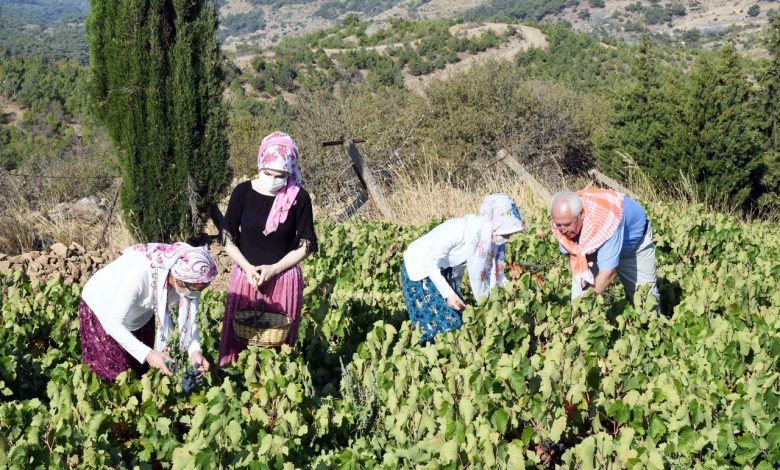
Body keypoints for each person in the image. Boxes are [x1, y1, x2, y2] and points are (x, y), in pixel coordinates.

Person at [218, 131, 317, 365]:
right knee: (239, 343)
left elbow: (306, 244)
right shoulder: (242, 192)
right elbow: (227, 237)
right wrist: (247, 268)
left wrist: (274, 269)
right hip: (245, 278)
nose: (273, 179)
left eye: (280, 175)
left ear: (290, 172)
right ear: (260, 165)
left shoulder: (298, 198)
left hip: (283, 278)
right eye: (267, 173)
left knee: (277, 344)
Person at [79, 243, 217, 381]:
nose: (196, 294)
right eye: (195, 289)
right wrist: (149, 354)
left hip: (140, 312)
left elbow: (190, 318)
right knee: (115, 375)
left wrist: (194, 351)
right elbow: (113, 323)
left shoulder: (192, 279)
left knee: (142, 371)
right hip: (103, 308)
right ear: (178, 280)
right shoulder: (139, 273)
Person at [402, 193, 524, 345]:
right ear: (494, 223)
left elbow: (460, 266)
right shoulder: (459, 230)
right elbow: (430, 262)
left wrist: (455, 289)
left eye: (509, 234)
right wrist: (448, 294)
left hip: (442, 269)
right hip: (421, 269)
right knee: (442, 324)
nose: (506, 239)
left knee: (457, 318)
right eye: (505, 233)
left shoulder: (483, 239)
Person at [549, 190, 660, 307]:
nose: (562, 230)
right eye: (558, 225)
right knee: (579, 299)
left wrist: (586, 303)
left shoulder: (607, 221)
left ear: (581, 214)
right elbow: (574, 259)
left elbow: (608, 273)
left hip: (634, 247)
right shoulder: (563, 221)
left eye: (566, 225)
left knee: (646, 299)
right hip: (593, 247)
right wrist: (579, 302)